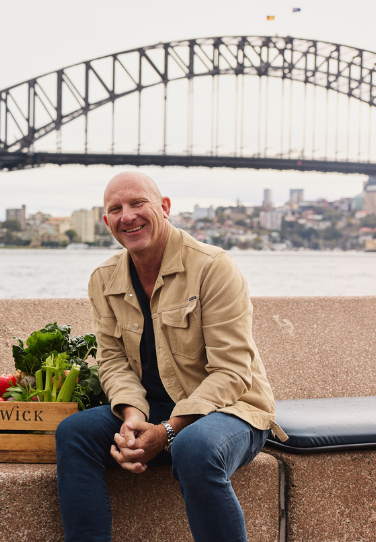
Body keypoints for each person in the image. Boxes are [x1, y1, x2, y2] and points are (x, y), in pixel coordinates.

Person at [55, 171, 287, 542]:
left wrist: (167, 431)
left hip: (231, 411)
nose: (127, 216)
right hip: (153, 409)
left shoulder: (213, 267)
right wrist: (132, 418)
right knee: (74, 433)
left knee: (194, 447)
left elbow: (232, 371)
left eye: (137, 203)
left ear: (164, 207)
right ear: (106, 222)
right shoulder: (103, 278)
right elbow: (112, 360)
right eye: (115, 209)